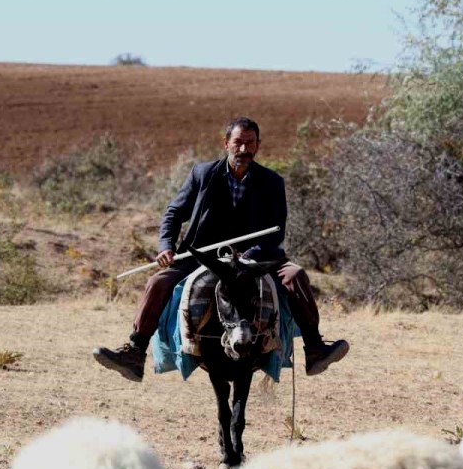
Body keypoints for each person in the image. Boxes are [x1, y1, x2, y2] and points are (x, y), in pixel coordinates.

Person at [93, 116, 350, 382]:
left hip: (257, 256)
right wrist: (166, 245)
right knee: (157, 282)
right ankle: (135, 353)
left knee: (295, 275)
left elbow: (276, 232)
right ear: (226, 143)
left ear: (258, 146)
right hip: (203, 257)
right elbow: (172, 213)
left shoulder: (272, 182)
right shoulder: (202, 174)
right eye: (237, 143)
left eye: (249, 144)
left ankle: (315, 349)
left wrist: (248, 258)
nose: (243, 150)